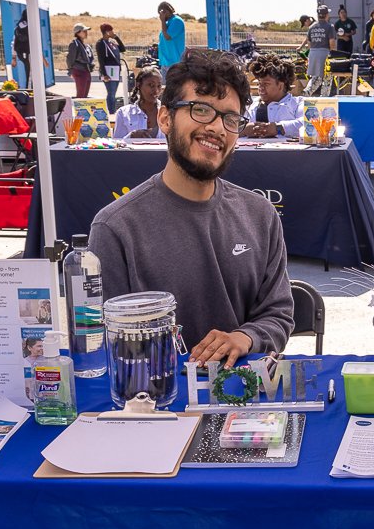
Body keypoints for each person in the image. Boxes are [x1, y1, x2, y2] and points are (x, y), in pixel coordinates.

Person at [90, 50, 294, 367]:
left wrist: (244, 338)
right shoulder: (116, 227)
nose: (216, 128)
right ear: (165, 118)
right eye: (200, 110)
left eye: (230, 118)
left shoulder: (260, 215)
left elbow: (278, 312)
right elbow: (106, 342)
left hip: (241, 399)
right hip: (154, 400)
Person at [241, 54, 303, 138]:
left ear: (280, 86)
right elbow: (230, 126)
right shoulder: (250, 105)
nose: (260, 88)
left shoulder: (297, 104)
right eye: (259, 83)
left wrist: (278, 128)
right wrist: (244, 130)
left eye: (266, 84)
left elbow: (309, 124)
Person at [111, 65, 162, 139]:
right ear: (138, 85)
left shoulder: (168, 113)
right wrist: (131, 136)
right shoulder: (123, 113)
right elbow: (117, 144)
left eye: (159, 86)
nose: (156, 91)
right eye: (151, 85)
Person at [305, 5, 335, 96]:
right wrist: (333, 56)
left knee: (315, 78)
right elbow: (332, 43)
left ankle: (307, 91)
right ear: (326, 15)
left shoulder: (312, 27)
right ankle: (324, 98)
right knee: (327, 78)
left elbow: (309, 43)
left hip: (313, 53)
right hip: (325, 54)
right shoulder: (330, 26)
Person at [96, 24, 125, 112]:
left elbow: (123, 49)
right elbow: (101, 59)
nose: (113, 32)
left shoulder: (112, 43)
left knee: (114, 93)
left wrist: (116, 38)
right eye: (111, 31)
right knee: (111, 93)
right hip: (108, 70)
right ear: (107, 32)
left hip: (115, 70)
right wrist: (104, 74)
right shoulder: (100, 43)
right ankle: (111, 111)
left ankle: (112, 109)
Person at [66, 24, 94, 98]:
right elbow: (70, 58)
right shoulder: (74, 44)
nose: (86, 33)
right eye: (84, 31)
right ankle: (78, 109)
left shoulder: (85, 45)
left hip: (86, 71)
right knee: (81, 95)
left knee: (85, 95)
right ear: (78, 33)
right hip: (79, 71)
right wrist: (70, 70)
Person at [157, 1, 186, 69]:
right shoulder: (168, 22)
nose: (160, 16)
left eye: (161, 13)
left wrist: (163, 21)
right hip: (165, 62)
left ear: (166, 11)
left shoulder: (177, 21)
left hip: (174, 62)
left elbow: (167, 37)